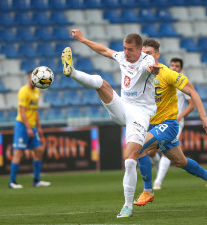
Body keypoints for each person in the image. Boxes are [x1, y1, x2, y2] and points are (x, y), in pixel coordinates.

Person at [62, 29, 161, 218]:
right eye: (124, 48)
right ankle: (71, 72)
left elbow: (151, 66)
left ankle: (127, 207)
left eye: (130, 49)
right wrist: (82, 39)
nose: (126, 52)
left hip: (140, 115)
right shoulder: (123, 57)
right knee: (101, 82)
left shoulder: (146, 61)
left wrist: (153, 69)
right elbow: (105, 51)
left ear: (140, 50)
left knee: (130, 160)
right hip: (123, 107)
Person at [133, 39, 207, 207]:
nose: (146, 56)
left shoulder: (167, 74)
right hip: (151, 125)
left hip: (168, 125)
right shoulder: (140, 74)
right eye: (143, 53)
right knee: (181, 162)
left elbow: (193, 92)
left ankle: (148, 191)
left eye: (149, 53)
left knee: (139, 146)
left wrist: (204, 118)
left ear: (157, 55)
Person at [150, 58, 194, 190]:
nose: (174, 67)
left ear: (181, 69)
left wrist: (180, 117)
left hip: (174, 122)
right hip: (158, 120)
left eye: (177, 66)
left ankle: (157, 182)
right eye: (172, 65)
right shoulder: (163, 79)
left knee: (166, 151)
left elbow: (191, 105)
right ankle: (160, 171)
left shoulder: (181, 82)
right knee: (151, 152)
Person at [9, 71, 51, 189]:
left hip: (32, 127)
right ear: (29, 78)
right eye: (32, 77)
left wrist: (39, 127)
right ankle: (12, 182)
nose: (34, 80)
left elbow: (35, 110)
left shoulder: (37, 92)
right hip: (22, 126)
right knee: (18, 153)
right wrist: (28, 128)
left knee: (39, 151)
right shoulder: (23, 91)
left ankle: (36, 180)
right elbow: (22, 111)